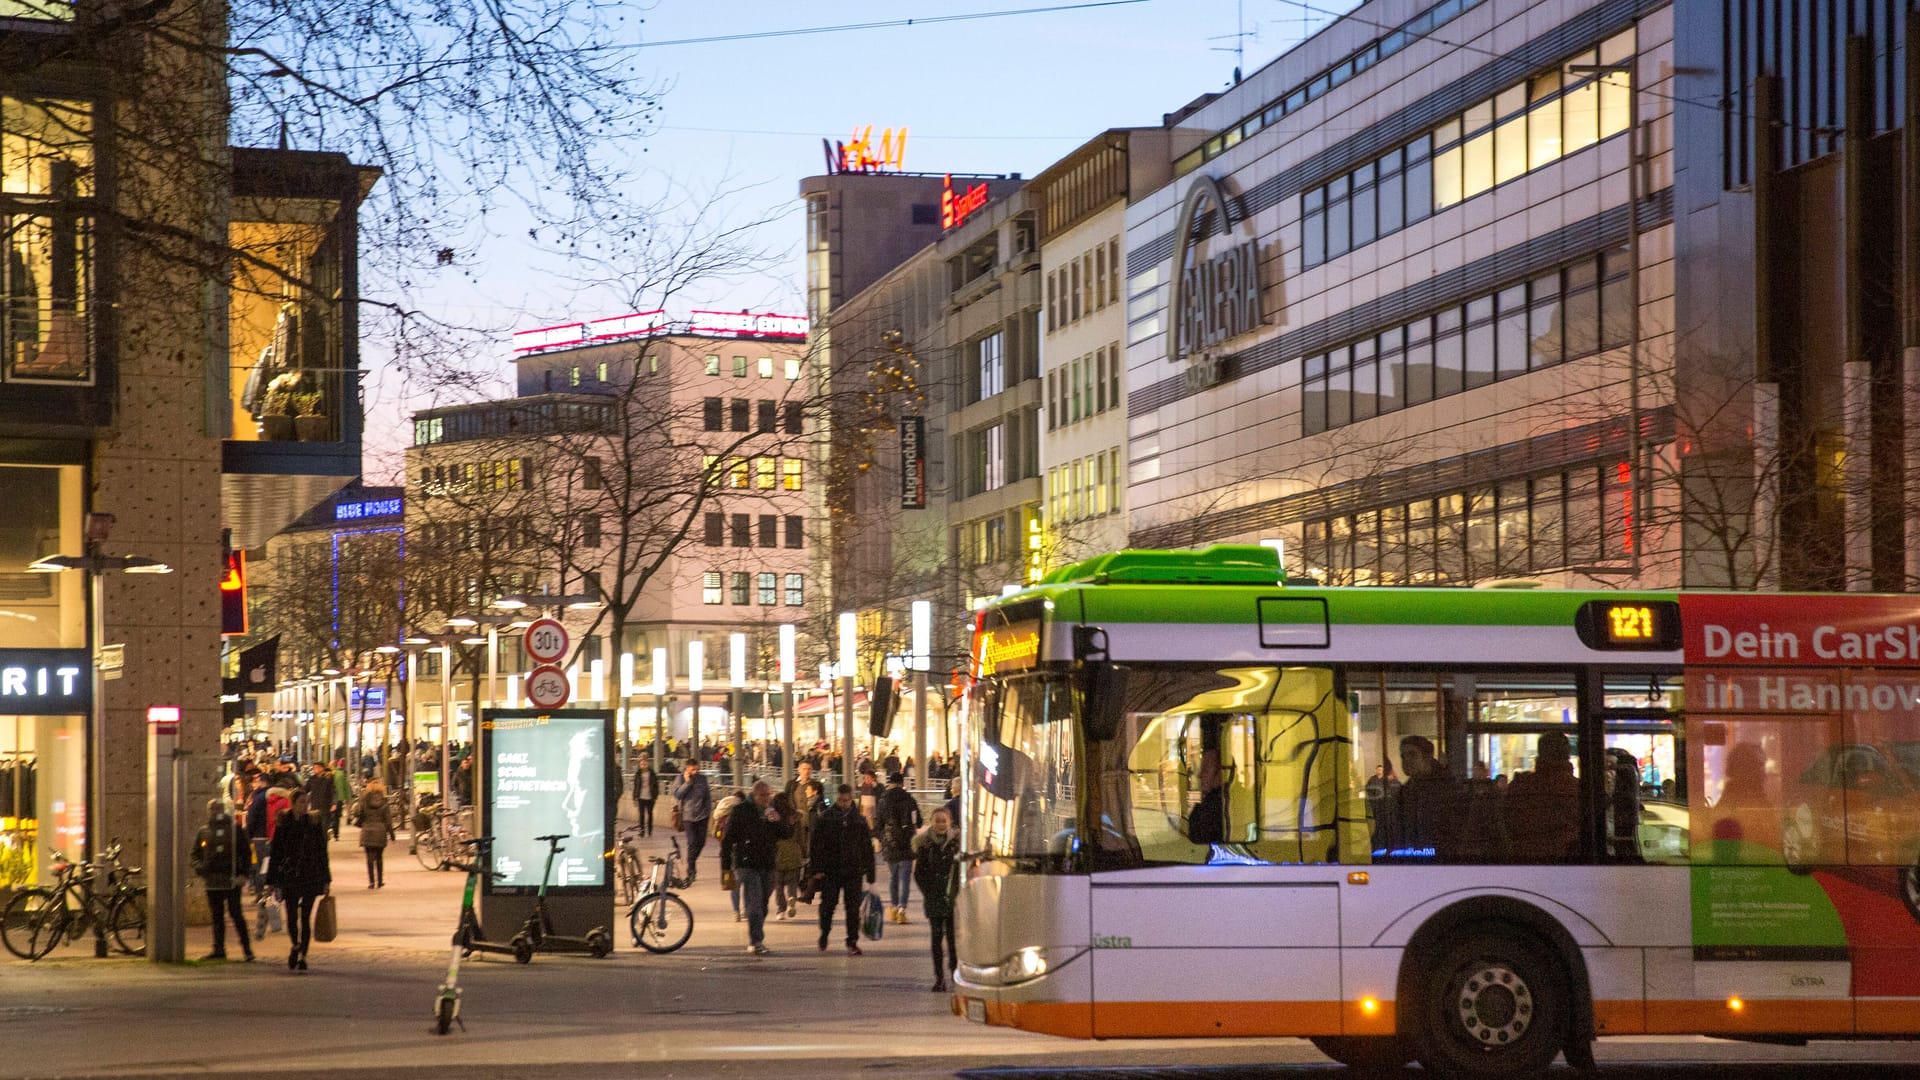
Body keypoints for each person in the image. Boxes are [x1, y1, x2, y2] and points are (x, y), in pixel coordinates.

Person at [719, 780, 792, 955]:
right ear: (754, 795)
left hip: (768, 863)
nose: (766, 799)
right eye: (763, 796)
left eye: (769, 795)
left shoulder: (772, 811)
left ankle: (756, 930)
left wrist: (777, 821)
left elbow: (787, 834)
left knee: (763, 904)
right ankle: (756, 941)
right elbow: (728, 840)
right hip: (746, 864)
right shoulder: (741, 811)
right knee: (755, 903)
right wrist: (726, 868)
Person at [264, 792, 331, 972]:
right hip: (290, 877)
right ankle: (295, 945)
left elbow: (322, 853)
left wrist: (326, 880)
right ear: (292, 804)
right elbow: (276, 853)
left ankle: (303, 956)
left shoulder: (314, 823)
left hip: (310, 876)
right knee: (292, 916)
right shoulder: (284, 823)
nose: (305, 806)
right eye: (301, 802)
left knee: (306, 918)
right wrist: (270, 881)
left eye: (306, 802)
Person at [809, 783, 875, 955]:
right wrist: (816, 869)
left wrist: (870, 874)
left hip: (853, 871)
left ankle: (852, 941)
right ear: (837, 798)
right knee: (828, 905)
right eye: (841, 800)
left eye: (846, 800)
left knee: (852, 908)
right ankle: (824, 933)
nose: (844, 803)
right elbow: (816, 846)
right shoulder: (826, 818)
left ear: (851, 799)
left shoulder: (859, 820)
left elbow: (866, 848)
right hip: (831, 870)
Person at [191, 798, 255, 962]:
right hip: (212, 881)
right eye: (213, 809)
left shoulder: (235, 830)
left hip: (231, 880)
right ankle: (219, 949)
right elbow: (195, 854)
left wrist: (243, 874)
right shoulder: (204, 831)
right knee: (217, 916)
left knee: (236, 914)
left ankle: (247, 949)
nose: (216, 811)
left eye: (218, 808)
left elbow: (246, 853)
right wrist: (201, 868)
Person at [1505, 731, 1580, 862]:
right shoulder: (1578, 789)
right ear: (1567, 754)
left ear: (1540, 753)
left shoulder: (1520, 786)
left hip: (1524, 862)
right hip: (1567, 863)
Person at [913, 807, 961, 992]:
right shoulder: (925, 845)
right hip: (934, 898)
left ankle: (955, 973)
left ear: (949, 823)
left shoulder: (957, 844)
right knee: (936, 939)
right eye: (937, 821)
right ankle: (939, 977)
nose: (941, 824)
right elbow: (919, 874)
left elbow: (961, 871)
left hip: (952, 898)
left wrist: (957, 891)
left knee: (952, 939)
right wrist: (929, 891)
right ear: (932, 822)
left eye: (944, 821)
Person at [876, 771, 922, 923]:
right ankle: (902, 909)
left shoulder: (883, 800)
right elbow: (919, 821)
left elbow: (878, 824)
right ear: (902, 783)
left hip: (891, 843)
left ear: (890, 783)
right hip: (908, 842)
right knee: (905, 878)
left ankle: (894, 907)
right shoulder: (910, 799)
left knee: (893, 877)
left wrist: (881, 838)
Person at [671, 759, 713, 883]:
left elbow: (707, 796)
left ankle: (691, 861)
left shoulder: (702, 779)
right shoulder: (680, 778)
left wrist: (708, 811)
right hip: (688, 816)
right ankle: (691, 871)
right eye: (692, 770)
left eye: (696, 769)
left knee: (701, 843)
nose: (695, 772)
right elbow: (677, 794)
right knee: (692, 842)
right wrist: (687, 782)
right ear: (687, 768)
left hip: (702, 816)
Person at [711, 786, 745, 921]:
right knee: (744, 881)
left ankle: (736, 911)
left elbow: (715, 834)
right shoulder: (742, 814)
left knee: (733, 883)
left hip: (726, 851)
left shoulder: (722, 816)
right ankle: (745, 910)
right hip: (740, 851)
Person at [771, 790, 806, 919]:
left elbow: (769, 836)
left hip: (777, 852)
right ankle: (791, 897)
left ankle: (781, 910)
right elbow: (801, 838)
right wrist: (805, 853)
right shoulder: (796, 817)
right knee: (792, 881)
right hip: (793, 851)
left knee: (778, 883)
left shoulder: (773, 816)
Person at [355, 778, 394, 888]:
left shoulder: (364, 800)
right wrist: (392, 835)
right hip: (380, 831)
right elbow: (388, 820)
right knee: (379, 857)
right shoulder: (384, 801)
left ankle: (371, 882)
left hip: (367, 830)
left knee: (369, 858)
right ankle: (380, 881)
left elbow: (357, 813)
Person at [243, 774, 273, 898]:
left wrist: (248, 835)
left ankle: (261, 893)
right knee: (270, 864)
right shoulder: (277, 797)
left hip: (259, 837)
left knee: (259, 866)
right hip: (274, 836)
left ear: (262, 782)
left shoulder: (258, 797)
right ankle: (273, 891)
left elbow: (252, 818)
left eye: (256, 781)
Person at [302, 763, 335, 841]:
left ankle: (324, 841)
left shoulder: (328, 778)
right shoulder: (312, 779)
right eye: (314, 768)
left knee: (324, 826)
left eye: (316, 768)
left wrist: (334, 803)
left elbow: (333, 791)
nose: (314, 769)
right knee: (315, 825)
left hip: (325, 805)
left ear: (322, 768)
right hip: (315, 805)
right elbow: (305, 789)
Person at [633, 760, 659, 837]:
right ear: (640, 765)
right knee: (641, 815)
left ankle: (650, 831)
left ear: (648, 764)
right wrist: (635, 797)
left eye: (645, 764)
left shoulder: (652, 773)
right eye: (641, 764)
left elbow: (656, 785)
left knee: (650, 814)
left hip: (650, 797)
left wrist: (655, 795)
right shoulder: (638, 774)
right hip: (641, 796)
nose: (643, 765)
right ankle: (642, 831)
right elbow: (636, 786)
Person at [331, 760, 354, 840]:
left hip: (331, 798)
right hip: (339, 798)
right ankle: (336, 835)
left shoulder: (329, 775)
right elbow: (346, 787)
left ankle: (331, 832)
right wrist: (347, 798)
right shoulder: (341, 774)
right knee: (336, 817)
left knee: (331, 816)